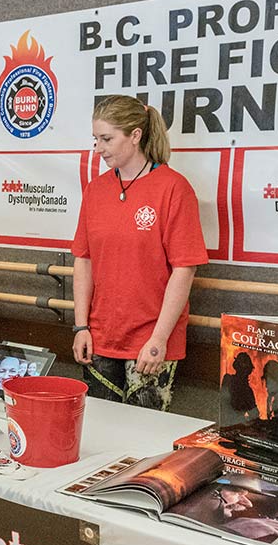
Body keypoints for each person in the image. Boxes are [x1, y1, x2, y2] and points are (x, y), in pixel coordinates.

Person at [71, 95, 208, 411]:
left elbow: (184, 269)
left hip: (150, 339)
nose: (98, 148)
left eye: (106, 139)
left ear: (135, 135)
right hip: (100, 336)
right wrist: (81, 327)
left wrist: (159, 340)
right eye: (95, 139)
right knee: (98, 429)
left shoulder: (174, 188)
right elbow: (84, 259)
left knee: (144, 439)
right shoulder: (96, 189)